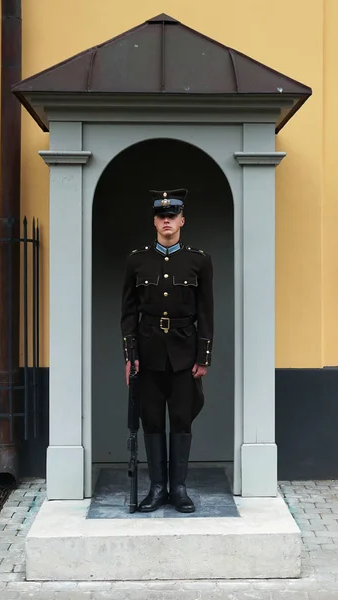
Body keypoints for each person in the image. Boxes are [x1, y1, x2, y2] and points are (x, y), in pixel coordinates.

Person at [120, 189, 214, 513]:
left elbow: (206, 312)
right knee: (152, 422)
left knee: (181, 420)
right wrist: (130, 355)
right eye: (161, 216)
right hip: (147, 356)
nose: (166, 221)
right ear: (154, 222)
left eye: (172, 215)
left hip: (185, 355)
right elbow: (128, 313)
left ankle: (180, 489)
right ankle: (158, 488)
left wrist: (204, 357)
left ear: (182, 220)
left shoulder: (198, 261)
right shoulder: (137, 260)